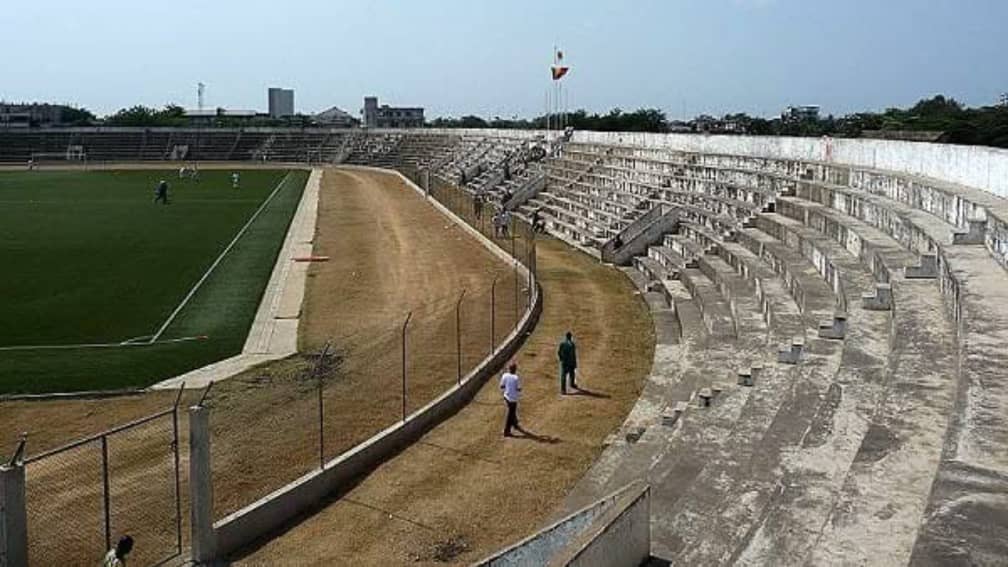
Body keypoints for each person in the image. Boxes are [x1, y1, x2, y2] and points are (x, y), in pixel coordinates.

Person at [499, 362, 522, 436]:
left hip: (506, 396)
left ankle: (515, 424)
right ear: (515, 370)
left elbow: (502, 386)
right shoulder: (516, 378)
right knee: (511, 413)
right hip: (513, 398)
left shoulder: (505, 375)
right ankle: (507, 430)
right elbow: (519, 389)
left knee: (512, 411)